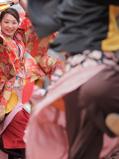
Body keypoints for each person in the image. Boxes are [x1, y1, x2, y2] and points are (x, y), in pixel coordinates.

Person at [0, 0, 64, 158]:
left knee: (20, 138)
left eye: (14, 22)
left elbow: (32, 16)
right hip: (4, 94)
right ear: (0, 23)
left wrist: (21, 1)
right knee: (27, 135)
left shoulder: (19, 37)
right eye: (6, 22)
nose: (10, 25)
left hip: (15, 94)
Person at [25, 0, 119, 158]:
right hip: (81, 73)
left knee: (94, 93)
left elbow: (43, 16)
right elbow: (43, 15)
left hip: (81, 73)